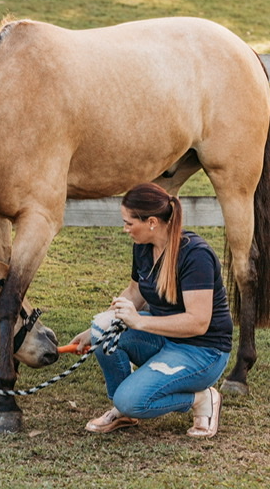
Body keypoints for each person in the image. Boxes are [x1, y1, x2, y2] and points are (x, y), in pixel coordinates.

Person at [70, 183, 233, 438]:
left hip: (202, 351)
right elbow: (134, 293)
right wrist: (94, 330)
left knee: (132, 400)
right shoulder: (144, 246)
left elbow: (198, 323)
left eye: (129, 223)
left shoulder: (196, 255)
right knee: (103, 330)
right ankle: (123, 410)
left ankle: (202, 398)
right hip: (165, 337)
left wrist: (140, 323)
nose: (125, 229)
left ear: (152, 222)